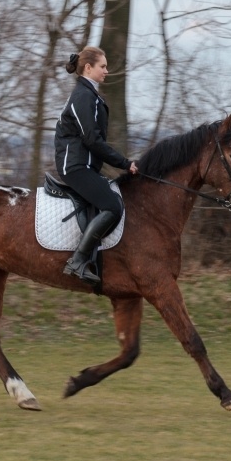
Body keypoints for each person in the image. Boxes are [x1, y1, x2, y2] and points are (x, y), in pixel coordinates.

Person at [53, 46, 138, 285]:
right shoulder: (83, 96)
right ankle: (78, 260)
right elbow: (92, 140)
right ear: (88, 68)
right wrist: (125, 163)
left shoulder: (90, 95)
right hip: (75, 166)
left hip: (85, 165)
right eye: (103, 66)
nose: (107, 71)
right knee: (113, 206)